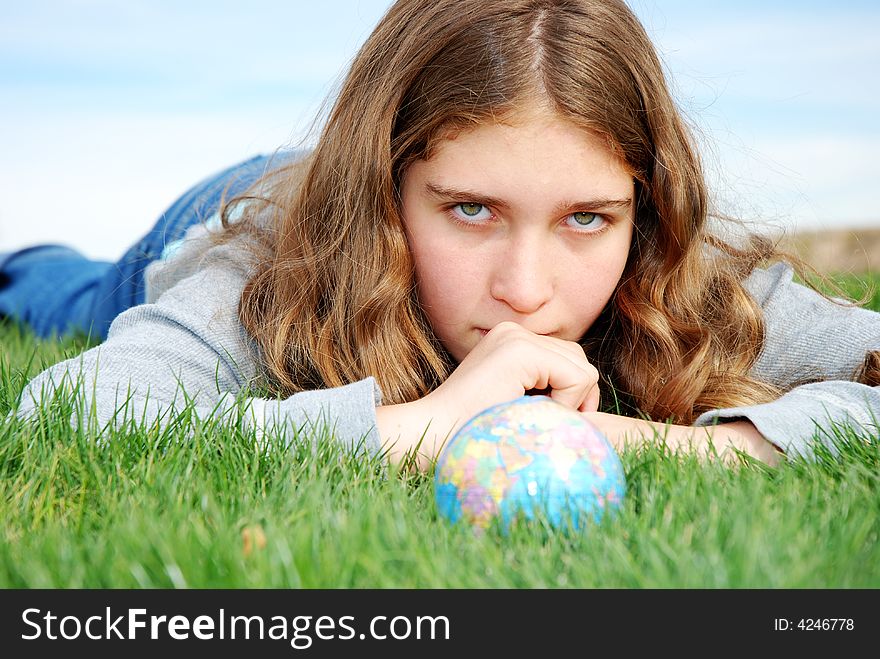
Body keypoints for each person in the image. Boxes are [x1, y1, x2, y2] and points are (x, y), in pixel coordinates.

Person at [3, 0, 878, 471]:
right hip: (236, 200)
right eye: (470, 210)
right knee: (64, 299)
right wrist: (435, 421)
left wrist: (685, 445)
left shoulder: (679, 272)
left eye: (586, 218)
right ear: (385, 196)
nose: (526, 290)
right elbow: (73, 415)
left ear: (643, 211)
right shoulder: (275, 262)